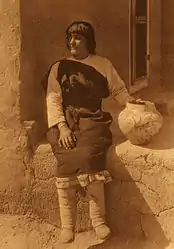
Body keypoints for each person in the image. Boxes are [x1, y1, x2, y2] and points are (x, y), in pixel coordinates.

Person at [46, 21, 135, 244]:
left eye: (78, 38)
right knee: (66, 157)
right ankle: (68, 226)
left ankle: (98, 221)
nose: (72, 42)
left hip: (93, 119)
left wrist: (132, 105)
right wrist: (63, 127)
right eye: (69, 37)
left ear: (88, 42)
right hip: (66, 121)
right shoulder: (59, 67)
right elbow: (53, 99)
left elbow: (118, 90)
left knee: (89, 156)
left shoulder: (102, 64)